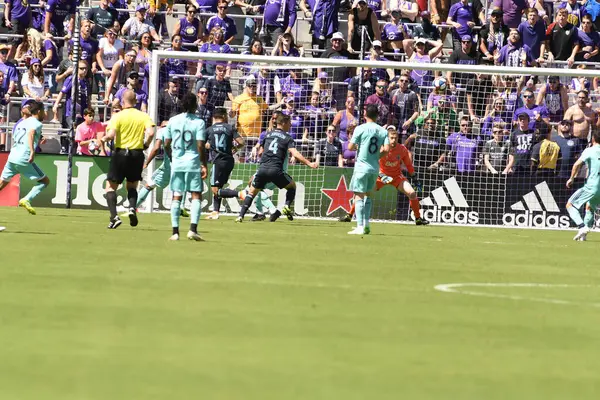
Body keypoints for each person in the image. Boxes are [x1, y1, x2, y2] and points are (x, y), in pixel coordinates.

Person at [235, 113, 317, 223]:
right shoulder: (288, 137)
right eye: (289, 123)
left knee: (251, 192)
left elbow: (260, 152)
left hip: (263, 169)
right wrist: (309, 163)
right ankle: (286, 206)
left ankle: (241, 216)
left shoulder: (267, 135)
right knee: (292, 186)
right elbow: (295, 153)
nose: (290, 125)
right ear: (283, 123)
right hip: (276, 170)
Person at [341, 126, 427, 225]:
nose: (394, 140)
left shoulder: (402, 149)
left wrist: (414, 178)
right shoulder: (380, 148)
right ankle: (349, 215)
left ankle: (418, 219)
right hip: (380, 176)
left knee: (412, 193)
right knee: (363, 192)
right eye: (391, 138)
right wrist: (381, 175)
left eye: (396, 138)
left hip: (396, 177)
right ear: (387, 138)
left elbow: (408, 165)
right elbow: (373, 164)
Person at [100, 90, 155, 229]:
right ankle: (131, 208)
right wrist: (146, 144)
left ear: (123, 102)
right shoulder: (143, 116)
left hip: (120, 153)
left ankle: (114, 217)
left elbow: (111, 134)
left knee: (110, 187)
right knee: (132, 185)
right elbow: (151, 132)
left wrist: (104, 139)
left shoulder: (118, 116)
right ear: (136, 101)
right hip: (137, 153)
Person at [163, 93, 207, 241]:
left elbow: (166, 143)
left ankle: (175, 232)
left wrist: (171, 156)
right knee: (196, 195)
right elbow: (200, 145)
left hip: (177, 163)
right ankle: (192, 229)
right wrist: (204, 164)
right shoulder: (199, 122)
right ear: (194, 105)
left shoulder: (173, 120)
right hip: (193, 162)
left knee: (177, 195)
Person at [346, 104, 390, 235]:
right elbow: (387, 150)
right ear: (377, 115)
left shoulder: (360, 128)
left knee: (358, 196)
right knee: (369, 196)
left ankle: (359, 226)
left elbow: (350, 146)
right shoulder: (383, 131)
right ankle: (366, 224)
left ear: (365, 114)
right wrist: (376, 156)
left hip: (361, 167)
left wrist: (358, 148)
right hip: (374, 167)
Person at [0, 101, 49, 215]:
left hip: (12, 157)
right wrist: (32, 151)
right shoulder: (37, 123)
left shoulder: (21, 122)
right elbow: (31, 133)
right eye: (43, 111)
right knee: (44, 181)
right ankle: (26, 199)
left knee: (2, 184)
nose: (44, 114)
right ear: (38, 111)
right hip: (24, 158)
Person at [136, 123, 188, 217]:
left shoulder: (162, 131)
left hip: (168, 165)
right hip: (182, 163)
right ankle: (180, 207)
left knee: (150, 184)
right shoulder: (183, 131)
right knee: (180, 185)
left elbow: (156, 148)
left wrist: (147, 163)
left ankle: (133, 207)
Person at [204, 107, 245, 220]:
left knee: (215, 189)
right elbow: (241, 142)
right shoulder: (229, 128)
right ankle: (215, 212)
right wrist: (235, 149)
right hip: (229, 161)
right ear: (224, 116)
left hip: (218, 161)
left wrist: (208, 145)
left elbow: (201, 143)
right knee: (219, 186)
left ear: (214, 117)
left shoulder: (209, 130)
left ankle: (240, 194)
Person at [566, 130, 600, 241]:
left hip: (592, 186)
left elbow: (577, 164)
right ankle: (583, 236)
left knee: (570, 205)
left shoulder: (589, 150)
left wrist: (571, 178)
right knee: (589, 207)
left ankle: (582, 227)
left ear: (593, 139)